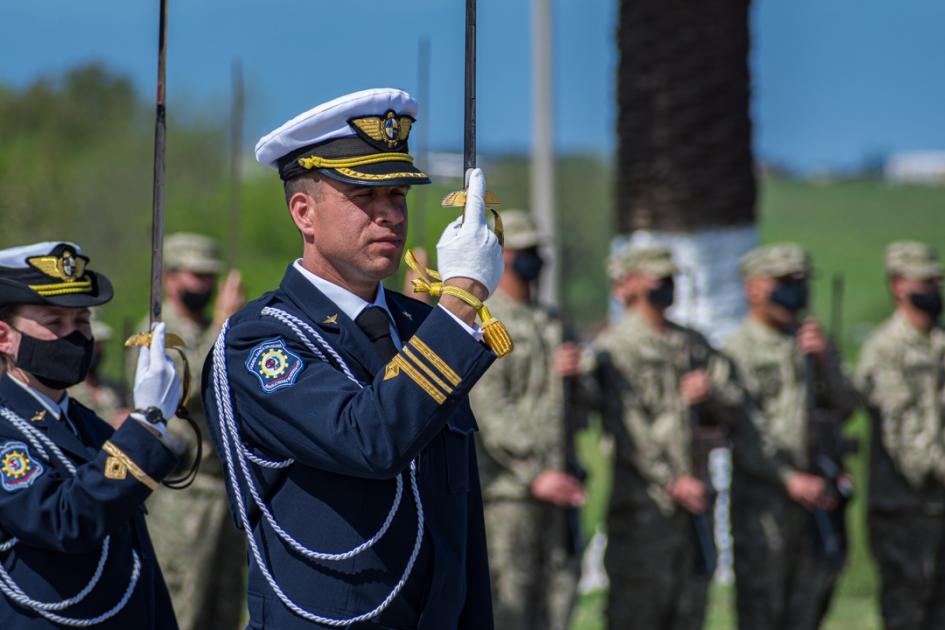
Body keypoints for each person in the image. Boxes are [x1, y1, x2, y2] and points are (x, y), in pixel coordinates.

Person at [201, 88, 506, 629]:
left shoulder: (421, 330)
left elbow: (461, 522)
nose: (388, 214)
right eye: (365, 197)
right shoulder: (261, 340)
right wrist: (459, 299)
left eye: (397, 197)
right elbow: (370, 441)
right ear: (305, 213)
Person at [0, 241, 181, 627]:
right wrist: (146, 424)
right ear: (4, 338)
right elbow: (63, 520)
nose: (75, 335)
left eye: (81, 321)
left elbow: (137, 557)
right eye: (54, 324)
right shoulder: (4, 426)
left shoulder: (89, 424)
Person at [594, 244, 744, 630]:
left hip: (694, 508)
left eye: (671, 278)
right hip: (646, 509)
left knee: (689, 610)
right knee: (638, 612)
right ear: (631, 283)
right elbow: (627, 427)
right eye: (658, 278)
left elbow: (736, 405)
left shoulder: (692, 342)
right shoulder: (617, 348)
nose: (667, 285)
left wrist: (711, 395)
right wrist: (672, 480)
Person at [723, 243, 859, 630]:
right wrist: (787, 478)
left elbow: (848, 405)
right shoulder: (738, 351)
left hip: (819, 502)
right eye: (784, 282)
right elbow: (745, 429)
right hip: (765, 506)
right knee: (763, 613)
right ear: (753, 288)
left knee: (809, 612)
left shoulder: (811, 342)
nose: (795, 291)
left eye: (800, 282)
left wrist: (825, 361)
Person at [469, 210, 586, 630]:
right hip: (510, 493)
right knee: (509, 608)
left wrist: (579, 375)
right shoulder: (484, 320)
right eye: (525, 251)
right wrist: (536, 472)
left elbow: (578, 407)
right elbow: (490, 407)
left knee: (558, 603)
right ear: (501, 256)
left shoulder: (552, 321)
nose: (535, 259)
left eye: (538, 251)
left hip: (560, 487)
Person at [132, 232, 246, 630]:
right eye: (193, 276)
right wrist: (220, 325)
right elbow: (177, 387)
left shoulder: (222, 332)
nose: (203, 285)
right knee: (183, 607)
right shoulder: (157, 333)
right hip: (183, 495)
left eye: (208, 277)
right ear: (170, 278)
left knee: (225, 607)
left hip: (225, 492)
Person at [857, 241, 945, 630]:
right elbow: (904, 438)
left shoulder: (941, 344)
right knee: (908, 613)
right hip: (904, 506)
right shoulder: (884, 350)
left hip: (940, 504)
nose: (931, 290)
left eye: (935, 281)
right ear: (898, 286)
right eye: (921, 281)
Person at [70, 311, 130, 428]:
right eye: (94, 344)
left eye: (101, 344)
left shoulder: (114, 388)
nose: (99, 350)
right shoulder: (65, 393)